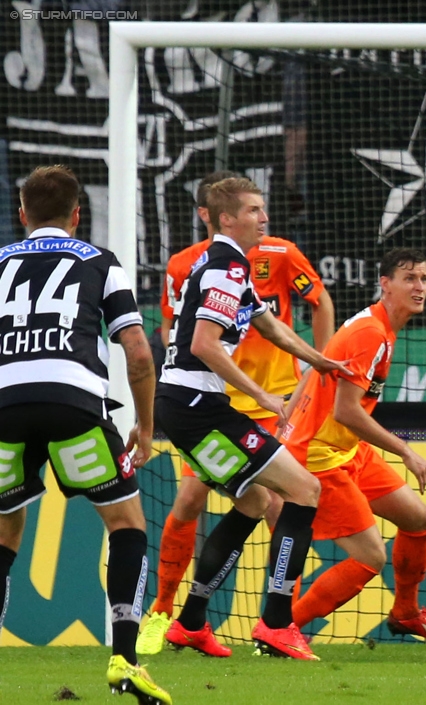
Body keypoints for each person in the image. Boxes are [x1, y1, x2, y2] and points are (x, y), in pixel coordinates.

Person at [137, 171, 334, 657]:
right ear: (225, 218)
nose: (264, 217)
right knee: (305, 490)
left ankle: (191, 622)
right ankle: (276, 621)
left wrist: (321, 362)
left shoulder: (231, 267)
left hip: (187, 405)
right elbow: (204, 344)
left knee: (251, 502)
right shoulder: (225, 268)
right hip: (197, 406)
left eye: (263, 209)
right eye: (252, 210)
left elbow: (273, 329)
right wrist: (264, 397)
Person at [0, 166, 170, 703]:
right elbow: (139, 355)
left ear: (21, 214)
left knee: (4, 535)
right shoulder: (101, 262)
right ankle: (124, 658)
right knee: (125, 523)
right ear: (78, 214)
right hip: (75, 405)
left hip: (4, 409)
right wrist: (144, 425)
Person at [281, 248, 426, 645]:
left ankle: (406, 612)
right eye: (409, 278)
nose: (419, 287)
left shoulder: (375, 325)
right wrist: (406, 451)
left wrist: (286, 417)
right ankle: (282, 628)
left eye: (424, 279)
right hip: (320, 456)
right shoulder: (370, 333)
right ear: (385, 284)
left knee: (418, 520)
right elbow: (346, 411)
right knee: (370, 557)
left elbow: (317, 367)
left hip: (345, 449)